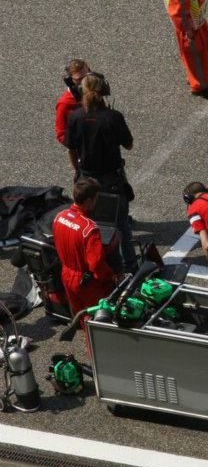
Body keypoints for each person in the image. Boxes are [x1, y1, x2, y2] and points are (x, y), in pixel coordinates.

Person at [66, 73, 136, 270]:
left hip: (86, 178)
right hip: (112, 179)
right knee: (121, 223)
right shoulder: (113, 117)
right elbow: (129, 145)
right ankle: (130, 266)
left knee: (90, 223)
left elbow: (71, 148)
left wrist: (78, 172)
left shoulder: (75, 116)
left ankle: (97, 261)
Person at [53, 178, 117, 314]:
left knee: (81, 317)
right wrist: (112, 277)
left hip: (66, 275)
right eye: (96, 199)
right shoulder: (90, 229)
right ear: (88, 201)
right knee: (98, 320)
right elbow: (96, 264)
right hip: (86, 283)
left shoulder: (59, 217)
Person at [55, 59, 90, 147]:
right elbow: (61, 135)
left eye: (87, 76)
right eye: (79, 80)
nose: (85, 82)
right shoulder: (65, 103)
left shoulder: (95, 93)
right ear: (70, 81)